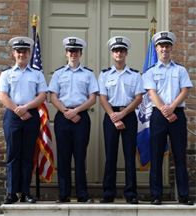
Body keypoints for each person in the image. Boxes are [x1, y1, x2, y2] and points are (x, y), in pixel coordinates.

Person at [143, 31, 194, 205]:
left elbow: (185, 91)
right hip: (158, 115)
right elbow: (151, 93)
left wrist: (172, 108)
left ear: (171, 48)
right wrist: (165, 110)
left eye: (167, 46)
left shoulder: (180, 70)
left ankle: (184, 195)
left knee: (180, 155)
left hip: (177, 114)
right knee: (156, 155)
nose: (164, 49)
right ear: (156, 48)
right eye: (161, 46)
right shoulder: (150, 71)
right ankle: (156, 195)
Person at [0, 36, 47, 204]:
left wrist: (26, 108)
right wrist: (18, 110)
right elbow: (3, 96)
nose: (22, 55)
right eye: (19, 52)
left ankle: (25, 193)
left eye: (25, 52)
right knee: (12, 155)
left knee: (27, 156)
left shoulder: (37, 74)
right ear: (13, 54)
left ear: (29, 53)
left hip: (31, 115)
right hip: (13, 116)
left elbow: (42, 95)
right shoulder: (6, 74)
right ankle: (11, 193)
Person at [48, 37, 98, 203]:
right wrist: (66, 111)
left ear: (81, 53)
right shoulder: (58, 73)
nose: (73, 54)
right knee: (63, 156)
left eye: (76, 51)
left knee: (80, 156)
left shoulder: (88, 74)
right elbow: (53, 96)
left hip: (81, 117)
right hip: (63, 117)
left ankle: (82, 194)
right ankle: (64, 194)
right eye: (70, 51)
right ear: (66, 53)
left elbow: (92, 99)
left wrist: (76, 111)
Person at [98, 36, 145, 204]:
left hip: (129, 116)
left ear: (126, 53)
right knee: (110, 156)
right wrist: (113, 116)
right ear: (112, 53)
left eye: (122, 50)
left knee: (129, 156)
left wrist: (122, 115)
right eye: (116, 50)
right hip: (111, 115)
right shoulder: (104, 75)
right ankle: (108, 192)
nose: (119, 53)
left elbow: (138, 98)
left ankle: (131, 193)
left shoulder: (135, 75)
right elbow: (103, 98)